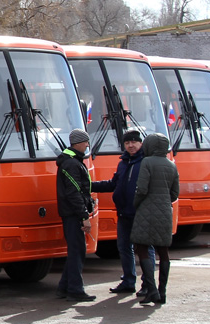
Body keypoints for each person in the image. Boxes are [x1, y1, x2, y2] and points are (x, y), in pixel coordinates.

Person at [90, 129, 152, 296]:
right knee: (124, 248)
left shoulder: (146, 162)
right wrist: (89, 185)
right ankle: (128, 281)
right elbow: (113, 184)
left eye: (134, 142)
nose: (131, 145)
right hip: (124, 213)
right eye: (127, 143)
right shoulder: (123, 163)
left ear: (141, 143)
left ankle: (148, 284)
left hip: (141, 215)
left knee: (146, 250)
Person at [130, 132, 179, 305]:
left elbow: (141, 189)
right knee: (163, 251)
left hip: (146, 211)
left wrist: (136, 204)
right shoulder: (172, 165)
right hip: (165, 211)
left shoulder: (147, 162)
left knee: (142, 248)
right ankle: (162, 291)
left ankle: (151, 290)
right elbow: (175, 194)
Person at [55, 128, 96, 302]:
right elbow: (74, 193)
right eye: (86, 142)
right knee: (77, 251)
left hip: (71, 213)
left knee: (76, 250)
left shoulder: (71, 161)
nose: (87, 146)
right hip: (73, 214)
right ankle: (75, 289)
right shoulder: (72, 164)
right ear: (79, 143)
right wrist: (84, 216)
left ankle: (65, 287)